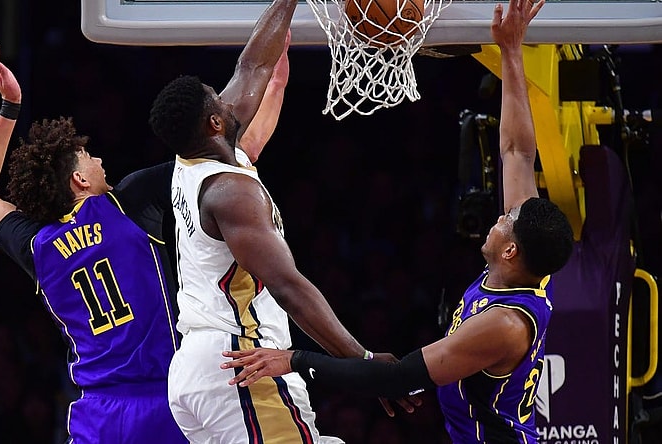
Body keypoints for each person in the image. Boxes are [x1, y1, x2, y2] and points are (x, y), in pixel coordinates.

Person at [220, 1, 575, 443]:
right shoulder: (524, 266)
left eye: (507, 219)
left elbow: (401, 378)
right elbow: (517, 152)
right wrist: (511, 51)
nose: (501, 214)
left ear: (510, 250)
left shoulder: (503, 325)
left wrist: (292, 359)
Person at [0, 36, 289, 443]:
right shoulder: (129, 202)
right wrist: (274, 86)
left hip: (96, 413)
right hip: (168, 401)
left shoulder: (39, 245)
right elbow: (240, 149)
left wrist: (9, 108)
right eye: (90, 158)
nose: (100, 160)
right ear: (79, 181)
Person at [147, 0, 420, 442]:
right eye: (216, 95)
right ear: (215, 121)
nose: (226, 92)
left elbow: (252, 64)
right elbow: (289, 289)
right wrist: (363, 362)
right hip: (241, 362)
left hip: (204, 369)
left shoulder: (197, 152)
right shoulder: (230, 193)